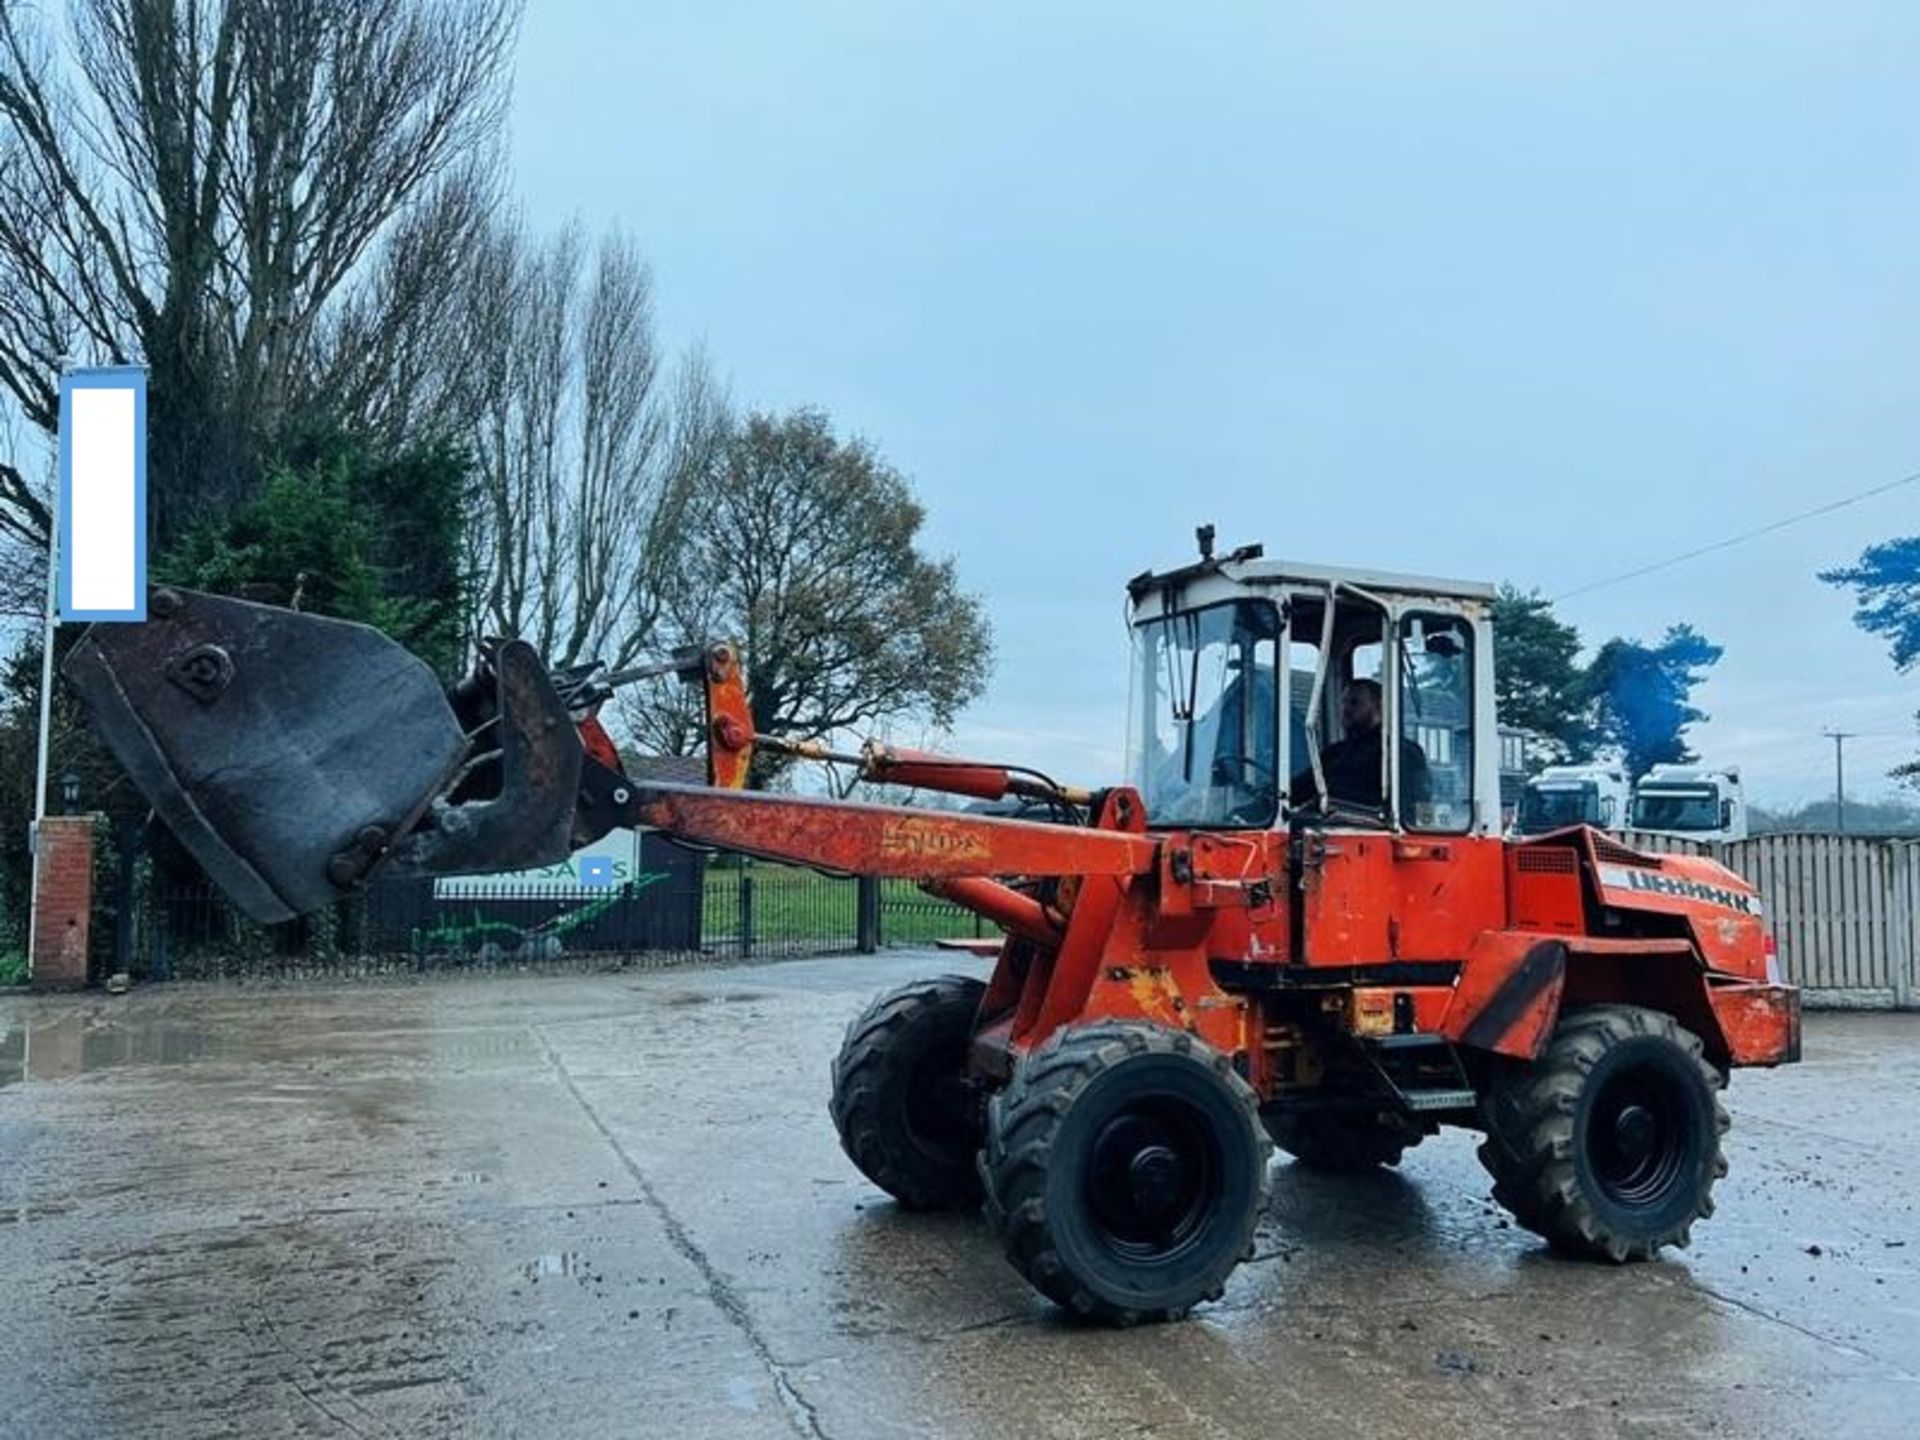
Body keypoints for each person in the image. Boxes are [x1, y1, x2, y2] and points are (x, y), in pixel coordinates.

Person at [1289, 678, 1429, 813]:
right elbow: (1301, 788)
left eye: (1354, 703)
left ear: (1379, 706)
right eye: (1344, 703)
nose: (1346, 709)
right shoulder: (1334, 753)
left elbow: (1412, 806)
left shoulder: (1400, 751)